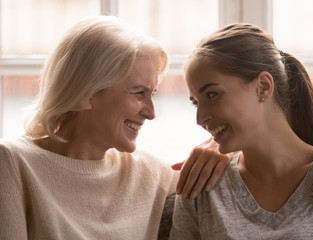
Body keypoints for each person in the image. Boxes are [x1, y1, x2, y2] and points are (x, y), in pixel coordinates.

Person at [0, 16, 230, 240]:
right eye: (139, 93)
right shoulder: (12, 164)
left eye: (153, 94)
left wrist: (223, 148)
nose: (151, 113)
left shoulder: (151, 175)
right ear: (87, 92)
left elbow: (244, 178)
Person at [169, 23, 313, 239]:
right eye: (196, 103)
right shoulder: (200, 189)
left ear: (263, 87)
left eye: (212, 95)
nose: (200, 118)